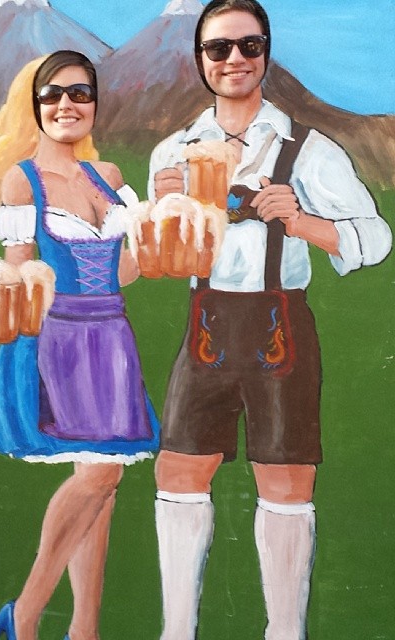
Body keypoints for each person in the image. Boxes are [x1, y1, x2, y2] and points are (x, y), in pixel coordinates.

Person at [147, 2, 392, 639]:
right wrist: (162, 216)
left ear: (266, 53)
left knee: (285, 478)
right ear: (200, 59)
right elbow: (164, 262)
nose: (234, 60)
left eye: (248, 46)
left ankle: (284, 632)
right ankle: (178, 631)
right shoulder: (172, 153)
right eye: (218, 48)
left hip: (281, 324)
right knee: (179, 469)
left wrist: (302, 221)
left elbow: (375, 238)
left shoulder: (306, 149)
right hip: (205, 322)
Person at [0, 50, 159, 640]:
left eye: (79, 93)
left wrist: (156, 239)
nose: (66, 105)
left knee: (104, 484)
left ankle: (84, 629)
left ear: (95, 104)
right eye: (52, 94)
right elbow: (19, 270)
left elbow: (123, 271)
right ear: (34, 106)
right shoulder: (21, 181)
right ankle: (24, 617)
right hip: (59, 339)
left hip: (112, 337)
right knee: (100, 477)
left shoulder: (111, 178)